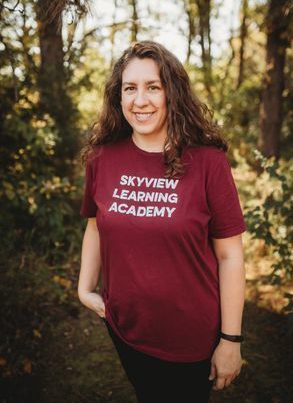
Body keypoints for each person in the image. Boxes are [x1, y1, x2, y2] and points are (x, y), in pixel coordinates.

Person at [78, 40, 246, 403]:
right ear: (117, 96)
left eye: (153, 87)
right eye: (130, 88)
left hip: (191, 339)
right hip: (125, 329)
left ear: (173, 92)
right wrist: (84, 289)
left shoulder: (208, 162)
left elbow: (230, 256)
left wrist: (231, 340)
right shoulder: (102, 158)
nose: (140, 100)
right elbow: (95, 224)